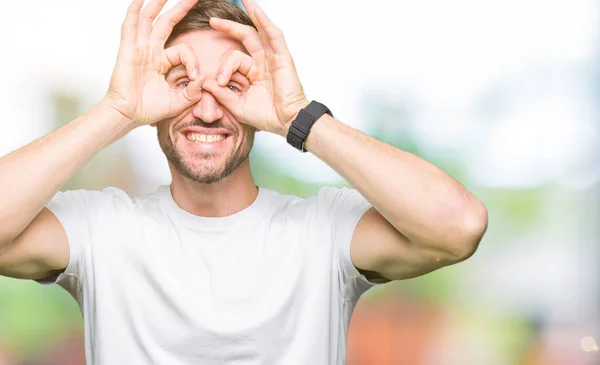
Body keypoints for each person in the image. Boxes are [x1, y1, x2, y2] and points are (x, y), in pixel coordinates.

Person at [0, 0, 488, 363]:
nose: (208, 110)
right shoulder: (100, 228)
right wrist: (116, 111)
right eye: (182, 84)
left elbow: (458, 224)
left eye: (232, 86)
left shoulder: (323, 231)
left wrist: (299, 116)